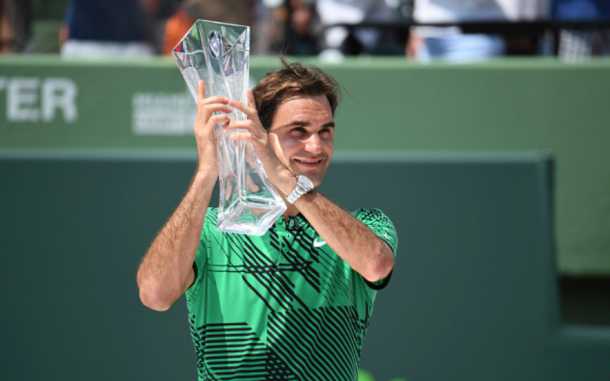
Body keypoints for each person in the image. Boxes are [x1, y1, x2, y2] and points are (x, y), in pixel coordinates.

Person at [137, 57, 397, 381]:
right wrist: (207, 171)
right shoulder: (211, 228)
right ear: (256, 134)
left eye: (325, 132)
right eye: (298, 131)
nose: (316, 146)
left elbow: (376, 264)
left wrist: (282, 174)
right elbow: (155, 294)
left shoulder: (367, 224)